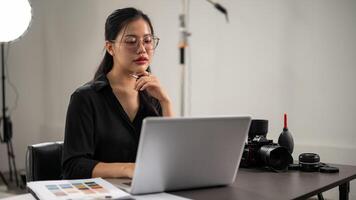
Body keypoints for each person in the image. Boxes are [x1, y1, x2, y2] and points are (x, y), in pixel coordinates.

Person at [62, 7, 174, 179]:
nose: (142, 49)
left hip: (148, 191)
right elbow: (73, 167)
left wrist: (166, 102)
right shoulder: (85, 98)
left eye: (147, 40)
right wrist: (128, 169)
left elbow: (171, 159)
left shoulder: (154, 96)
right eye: (131, 41)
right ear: (110, 47)